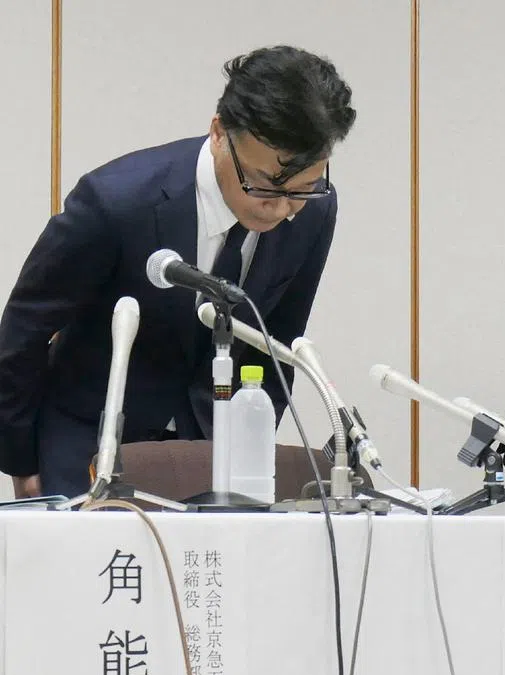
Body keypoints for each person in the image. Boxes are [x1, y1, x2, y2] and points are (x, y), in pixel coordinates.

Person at [0, 45, 356, 498]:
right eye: (265, 184)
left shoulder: (315, 212)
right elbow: (26, 328)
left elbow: (277, 343)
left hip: (211, 455)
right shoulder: (117, 202)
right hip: (87, 447)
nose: (283, 208)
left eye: (304, 189)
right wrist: (23, 462)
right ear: (219, 133)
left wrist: (250, 452)